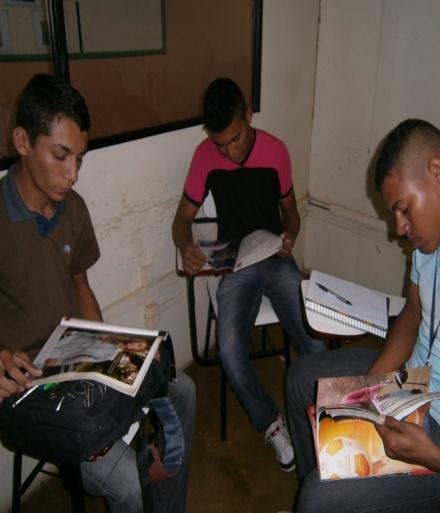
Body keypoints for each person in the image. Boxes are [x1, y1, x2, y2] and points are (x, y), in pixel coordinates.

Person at [286, 119, 440, 512]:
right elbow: (412, 313)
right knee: (303, 379)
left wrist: (434, 456)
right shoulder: (431, 244)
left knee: (317, 500)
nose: (399, 229)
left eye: (403, 210)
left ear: (438, 173)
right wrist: (368, 394)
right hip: (411, 391)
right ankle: (331, 475)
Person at [0, 74, 195, 513]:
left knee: (183, 391)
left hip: (78, 356)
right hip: (27, 386)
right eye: (61, 156)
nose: (73, 174)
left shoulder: (74, 209)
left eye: (81, 159)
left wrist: (115, 363)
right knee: (126, 482)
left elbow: (80, 286)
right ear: (22, 142)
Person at [172, 77, 326, 471]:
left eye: (236, 139)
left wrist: (290, 233)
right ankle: (271, 422)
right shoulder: (204, 155)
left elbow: (290, 210)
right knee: (227, 350)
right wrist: (186, 246)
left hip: (275, 257)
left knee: (314, 338)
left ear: (249, 115)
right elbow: (181, 219)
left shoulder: (275, 150)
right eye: (220, 143)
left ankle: (326, 416)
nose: (229, 151)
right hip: (234, 265)